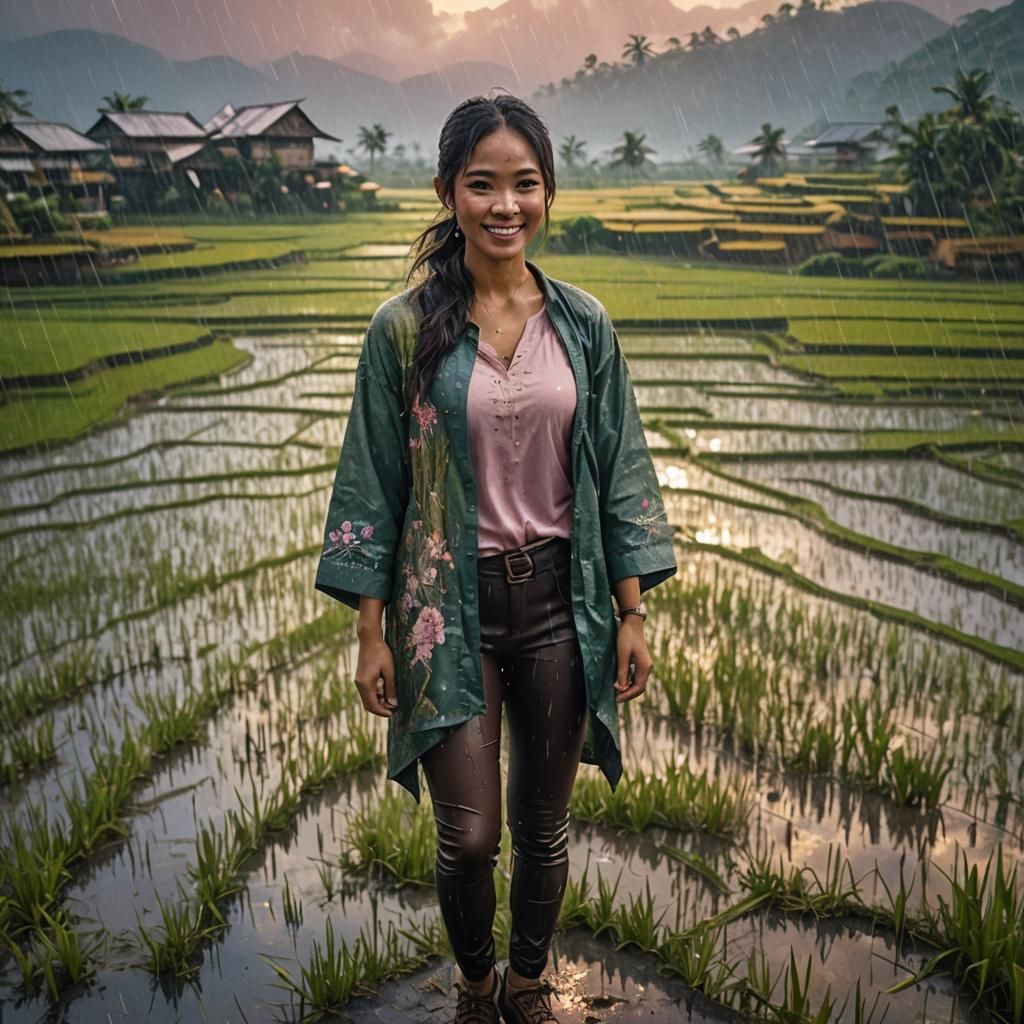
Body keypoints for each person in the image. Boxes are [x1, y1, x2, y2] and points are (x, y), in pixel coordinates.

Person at [315, 92, 677, 1024]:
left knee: (544, 829)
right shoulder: (403, 330)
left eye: (525, 184)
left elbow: (616, 471)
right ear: (448, 192)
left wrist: (633, 613)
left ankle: (526, 984)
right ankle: (476, 985)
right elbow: (373, 481)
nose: (504, 204)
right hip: (448, 610)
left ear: (548, 193)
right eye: (482, 185)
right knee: (470, 836)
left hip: (562, 604)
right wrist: (371, 630)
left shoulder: (583, 325)